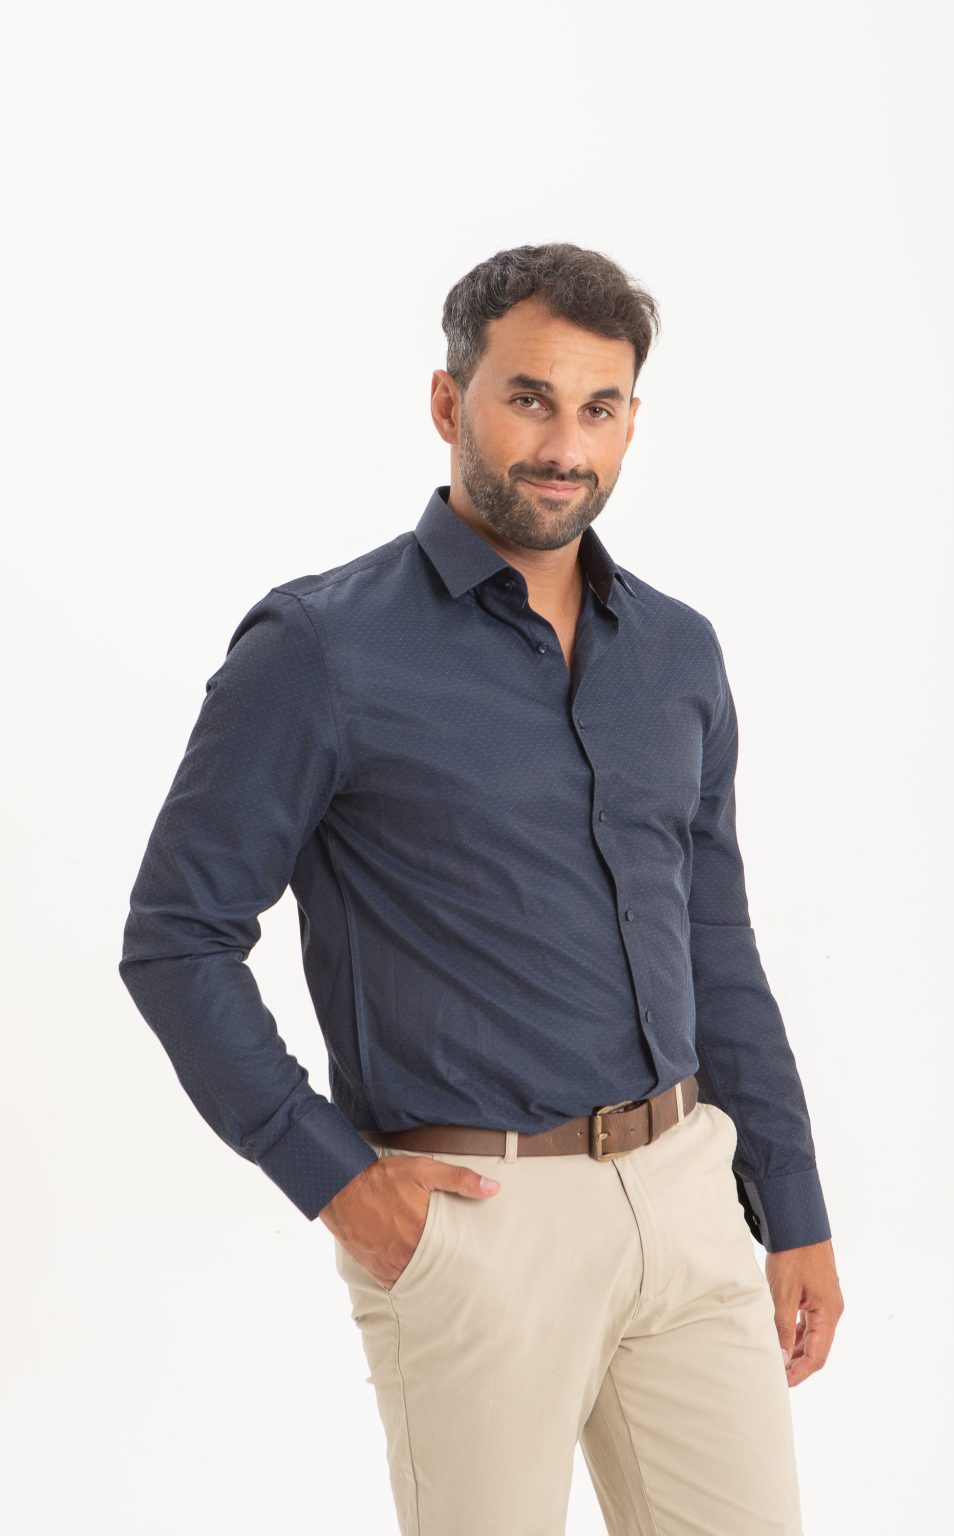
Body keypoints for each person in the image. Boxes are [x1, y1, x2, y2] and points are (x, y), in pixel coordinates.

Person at [119, 241, 844, 1535]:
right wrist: (336, 1179)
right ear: (449, 400)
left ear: (632, 421)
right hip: (478, 1223)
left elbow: (715, 938)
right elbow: (177, 936)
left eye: (600, 407)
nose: (565, 445)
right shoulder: (322, 647)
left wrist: (791, 1205)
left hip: (687, 1196)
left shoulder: (676, 653)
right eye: (529, 399)